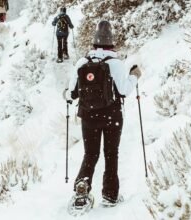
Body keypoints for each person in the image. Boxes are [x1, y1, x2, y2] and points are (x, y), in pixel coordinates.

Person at [65, 20, 142, 210]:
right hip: (112, 116)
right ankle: (110, 195)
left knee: (90, 154)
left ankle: (82, 187)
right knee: (111, 154)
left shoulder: (83, 62)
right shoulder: (116, 63)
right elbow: (123, 91)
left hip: (89, 117)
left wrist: (65, 94)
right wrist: (135, 75)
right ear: (111, 41)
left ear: (94, 41)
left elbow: (71, 94)